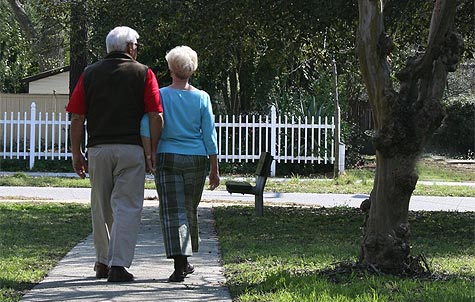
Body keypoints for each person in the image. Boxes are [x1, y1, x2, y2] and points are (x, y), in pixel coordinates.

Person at [67, 26, 163, 282]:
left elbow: (77, 117)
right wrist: (152, 149)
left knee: (100, 206)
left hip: (98, 148)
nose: (138, 49)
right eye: (137, 45)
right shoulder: (144, 73)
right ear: (130, 47)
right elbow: (155, 114)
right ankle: (119, 265)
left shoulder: (89, 73)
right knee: (127, 207)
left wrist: (76, 153)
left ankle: (101, 261)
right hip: (131, 150)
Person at [141, 45, 220, 282]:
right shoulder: (202, 97)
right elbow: (209, 135)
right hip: (196, 158)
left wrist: (149, 154)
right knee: (188, 210)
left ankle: (180, 265)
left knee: (172, 211)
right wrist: (214, 168)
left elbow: (146, 125)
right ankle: (184, 262)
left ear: (171, 68)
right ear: (192, 69)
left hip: (167, 155)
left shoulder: (161, 95)